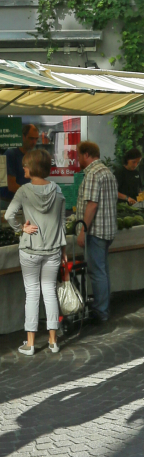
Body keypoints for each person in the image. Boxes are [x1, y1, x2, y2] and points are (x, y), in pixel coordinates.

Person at [5, 148, 67, 355]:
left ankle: (30, 344)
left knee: (32, 293)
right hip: (53, 250)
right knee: (49, 292)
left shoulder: (23, 191)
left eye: (24, 165)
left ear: (31, 167)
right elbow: (62, 223)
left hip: (30, 249)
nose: (23, 168)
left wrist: (21, 228)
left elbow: (9, 216)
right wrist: (63, 248)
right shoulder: (57, 190)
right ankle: (53, 341)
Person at [76, 141, 118, 323]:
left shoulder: (93, 173)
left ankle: (101, 311)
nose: (77, 159)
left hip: (96, 231)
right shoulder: (107, 172)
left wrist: (82, 231)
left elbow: (92, 205)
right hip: (107, 229)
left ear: (86, 155)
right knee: (103, 271)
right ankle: (104, 306)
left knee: (97, 271)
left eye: (78, 155)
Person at [2, 123, 39, 200]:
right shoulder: (11, 154)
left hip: (23, 199)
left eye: (36, 139)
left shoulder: (31, 155)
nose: (34, 142)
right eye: (31, 138)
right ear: (23, 137)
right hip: (8, 201)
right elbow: (11, 186)